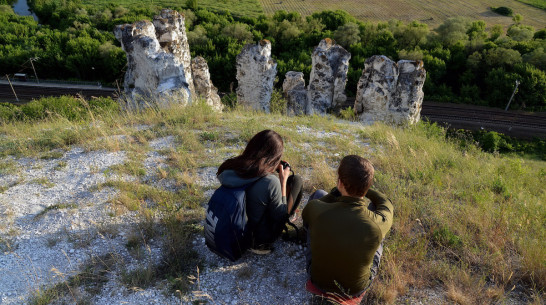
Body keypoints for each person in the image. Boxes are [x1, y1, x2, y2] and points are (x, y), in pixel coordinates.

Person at [302, 155, 393, 302]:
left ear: (340, 182)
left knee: (319, 194)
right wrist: (364, 188)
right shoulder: (377, 222)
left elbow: (310, 214)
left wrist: (336, 192)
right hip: (354, 288)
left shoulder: (315, 209)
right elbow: (385, 203)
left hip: (318, 280)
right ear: (368, 184)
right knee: (378, 233)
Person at [217, 129, 303, 254]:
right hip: (259, 238)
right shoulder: (270, 182)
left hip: (234, 229)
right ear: (274, 156)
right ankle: (262, 245)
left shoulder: (230, 166)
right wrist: (283, 182)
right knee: (296, 180)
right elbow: (280, 215)